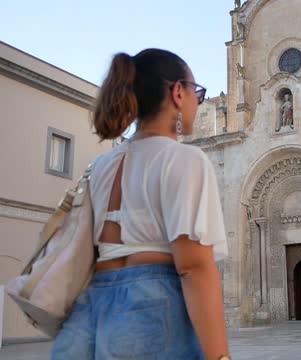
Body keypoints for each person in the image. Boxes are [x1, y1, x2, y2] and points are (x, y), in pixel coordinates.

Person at [50, 49, 231, 360]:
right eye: (196, 93)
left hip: (90, 313)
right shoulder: (184, 159)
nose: (197, 103)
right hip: (152, 309)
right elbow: (193, 267)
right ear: (177, 92)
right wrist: (221, 357)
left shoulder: (101, 165)